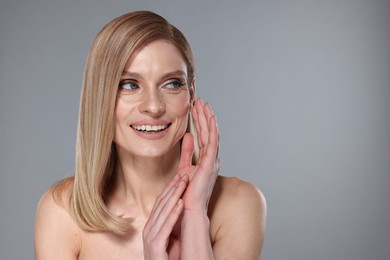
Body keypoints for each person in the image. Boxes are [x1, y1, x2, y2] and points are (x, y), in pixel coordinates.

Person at [34, 10, 266, 259]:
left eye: (172, 84)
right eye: (130, 85)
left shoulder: (239, 204)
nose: (153, 106)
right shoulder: (62, 212)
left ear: (191, 92)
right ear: (99, 97)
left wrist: (195, 217)